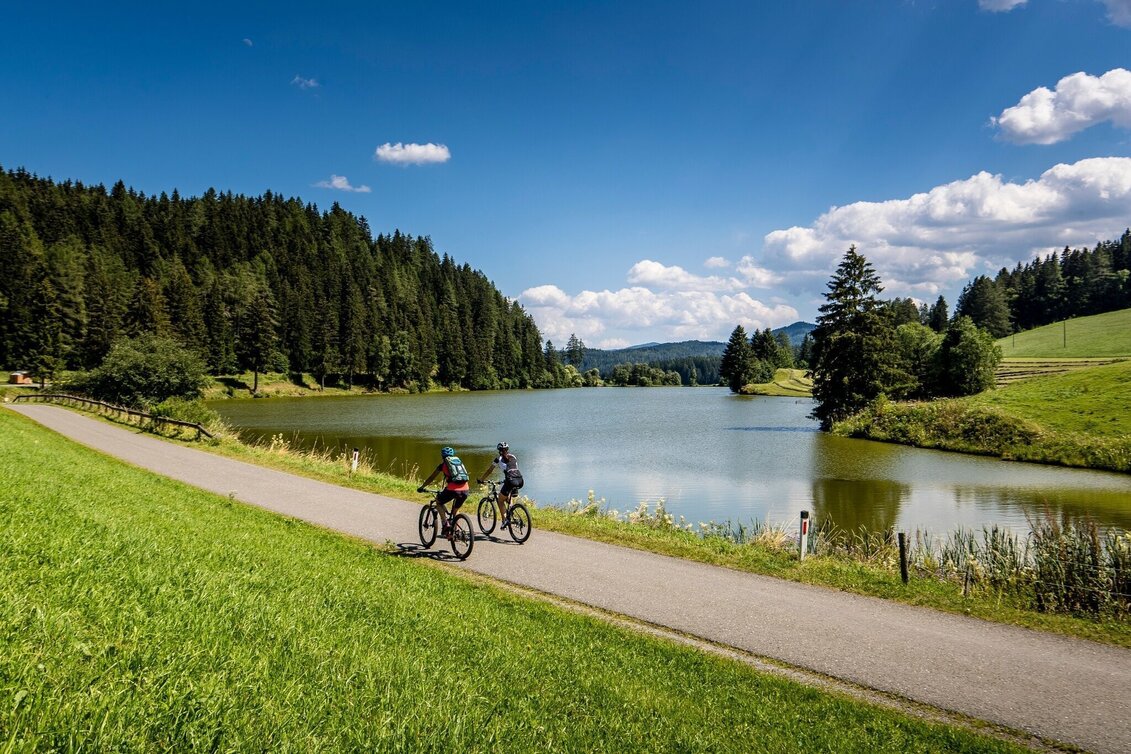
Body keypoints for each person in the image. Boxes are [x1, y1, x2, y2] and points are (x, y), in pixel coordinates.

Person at [417, 446, 470, 537]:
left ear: (442, 456)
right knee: (455, 510)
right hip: (465, 489)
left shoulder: (443, 465)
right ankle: (455, 532)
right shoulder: (458, 462)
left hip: (452, 490)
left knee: (438, 501)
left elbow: (431, 478)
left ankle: (445, 524)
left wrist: (422, 486)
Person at [477, 441, 523, 525]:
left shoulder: (498, 459)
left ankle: (505, 521)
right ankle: (511, 512)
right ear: (507, 449)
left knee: (500, 500)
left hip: (511, 481)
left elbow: (489, 471)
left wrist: (481, 479)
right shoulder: (514, 456)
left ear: (499, 450)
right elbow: (514, 469)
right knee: (508, 496)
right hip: (520, 480)